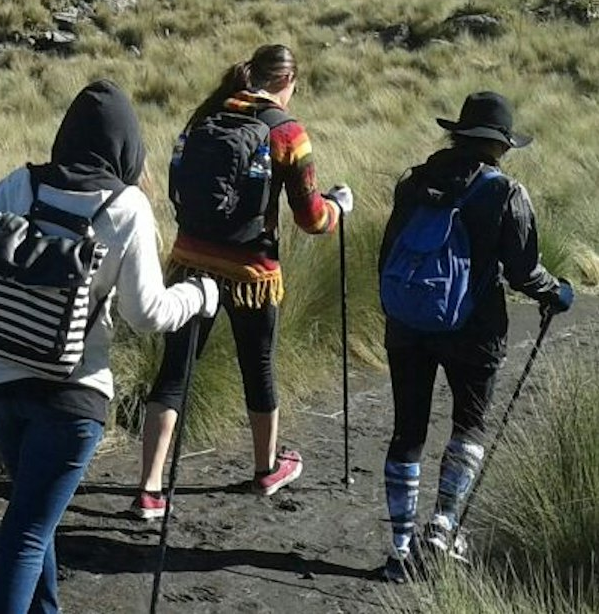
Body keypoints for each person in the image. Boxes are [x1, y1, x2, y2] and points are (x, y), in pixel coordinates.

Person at [0, 79, 218, 614]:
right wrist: (198, 296)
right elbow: (146, 315)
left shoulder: (17, 186)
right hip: (72, 398)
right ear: (127, 146)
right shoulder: (127, 206)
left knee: (31, 517)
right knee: (27, 531)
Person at [131, 43, 351, 516]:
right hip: (252, 272)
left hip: (190, 261)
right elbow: (312, 218)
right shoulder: (287, 131)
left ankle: (149, 489)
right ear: (287, 81)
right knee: (258, 365)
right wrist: (339, 207)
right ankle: (266, 468)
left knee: (174, 371)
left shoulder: (205, 115)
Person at [377, 91, 573, 583]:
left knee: (407, 431)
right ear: (501, 145)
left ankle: (400, 549)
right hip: (474, 329)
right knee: (469, 425)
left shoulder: (414, 182)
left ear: (459, 134)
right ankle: (444, 527)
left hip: (407, 323)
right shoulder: (505, 192)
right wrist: (557, 293)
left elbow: (388, 254)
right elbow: (524, 271)